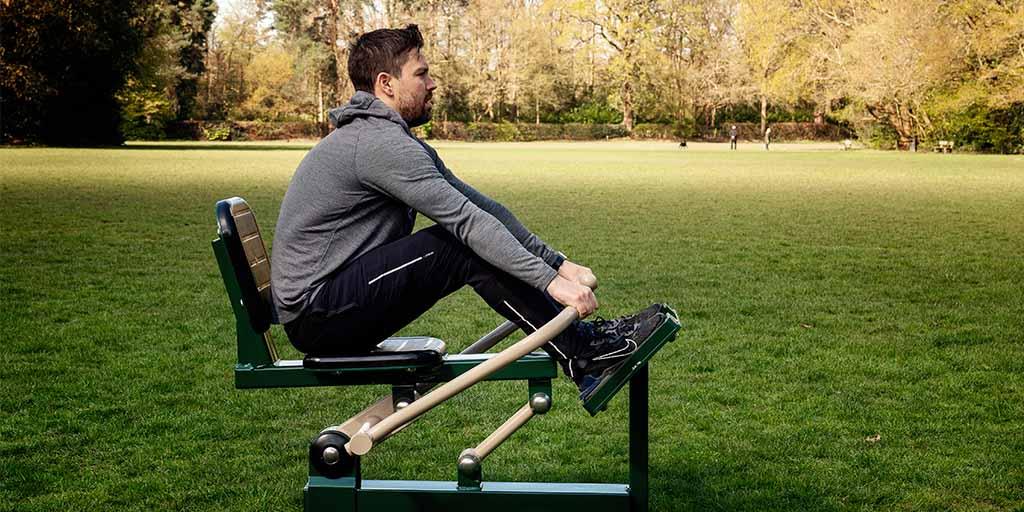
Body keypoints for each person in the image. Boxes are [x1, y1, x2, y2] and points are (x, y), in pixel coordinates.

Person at [270, 25, 663, 401]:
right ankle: (584, 354)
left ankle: (585, 346)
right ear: (386, 84)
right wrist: (550, 283)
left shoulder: (390, 139)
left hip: (328, 306)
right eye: (421, 74)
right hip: (318, 315)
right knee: (458, 245)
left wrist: (558, 264)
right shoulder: (376, 144)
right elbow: (467, 222)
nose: (432, 84)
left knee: (466, 238)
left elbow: (480, 207)